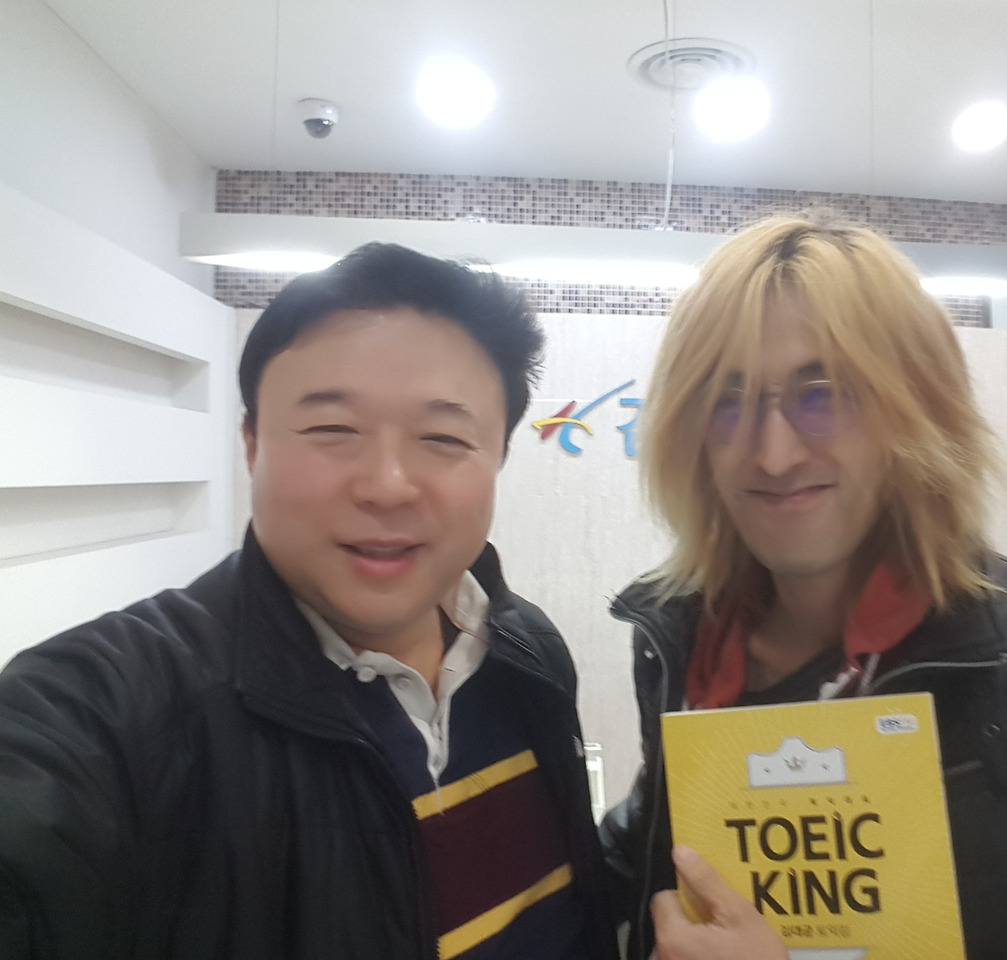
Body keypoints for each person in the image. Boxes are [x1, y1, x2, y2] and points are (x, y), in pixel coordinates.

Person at [599, 216, 1007, 960]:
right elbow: (635, 863)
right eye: (727, 398)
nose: (773, 454)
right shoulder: (688, 648)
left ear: (914, 408)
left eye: (823, 392)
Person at [0, 243, 618, 960]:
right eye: (332, 429)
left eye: (443, 437)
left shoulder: (528, 651)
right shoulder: (105, 713)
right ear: (251, 444)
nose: (387, 485)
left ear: (499, 458)